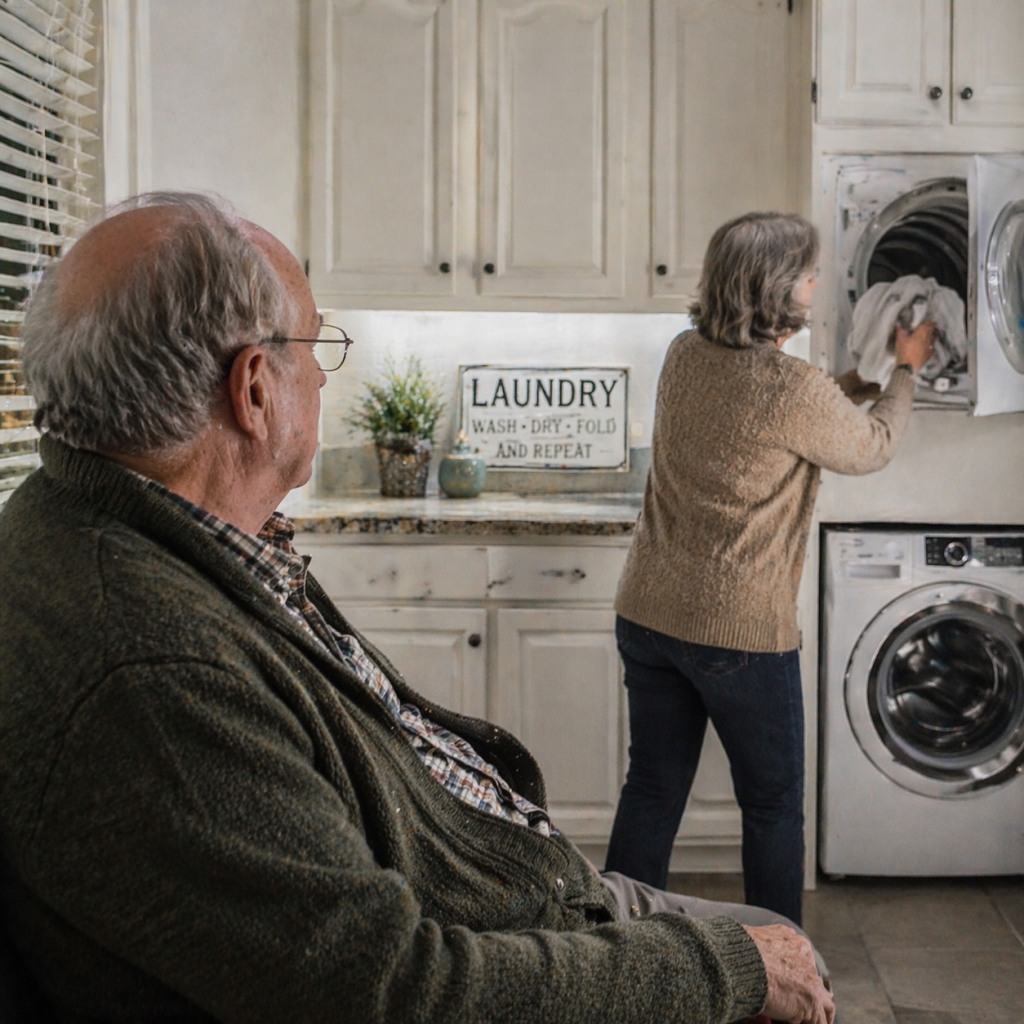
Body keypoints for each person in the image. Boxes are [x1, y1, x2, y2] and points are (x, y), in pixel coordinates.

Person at [0, 193, 834, 1024]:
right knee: (782, 961)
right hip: (491, 940)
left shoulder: (132, 530)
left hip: (506, 890)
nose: (323, 374)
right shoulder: (155, 672)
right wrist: (716, 970)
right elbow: (393, 990)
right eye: (315, 345)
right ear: (255, 390)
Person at [606, 212, 935, 926]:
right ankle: (781, 976)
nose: (818, 283)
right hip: (736, 633)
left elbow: (786, 411)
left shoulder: (684, 353)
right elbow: (873, 444)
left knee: (654, 789)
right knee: (774, 805)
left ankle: (614, 952)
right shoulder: (791, 389)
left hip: (649, 612)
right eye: (811, 273)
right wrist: (906, 367)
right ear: (782, 290)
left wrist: (856, 378)